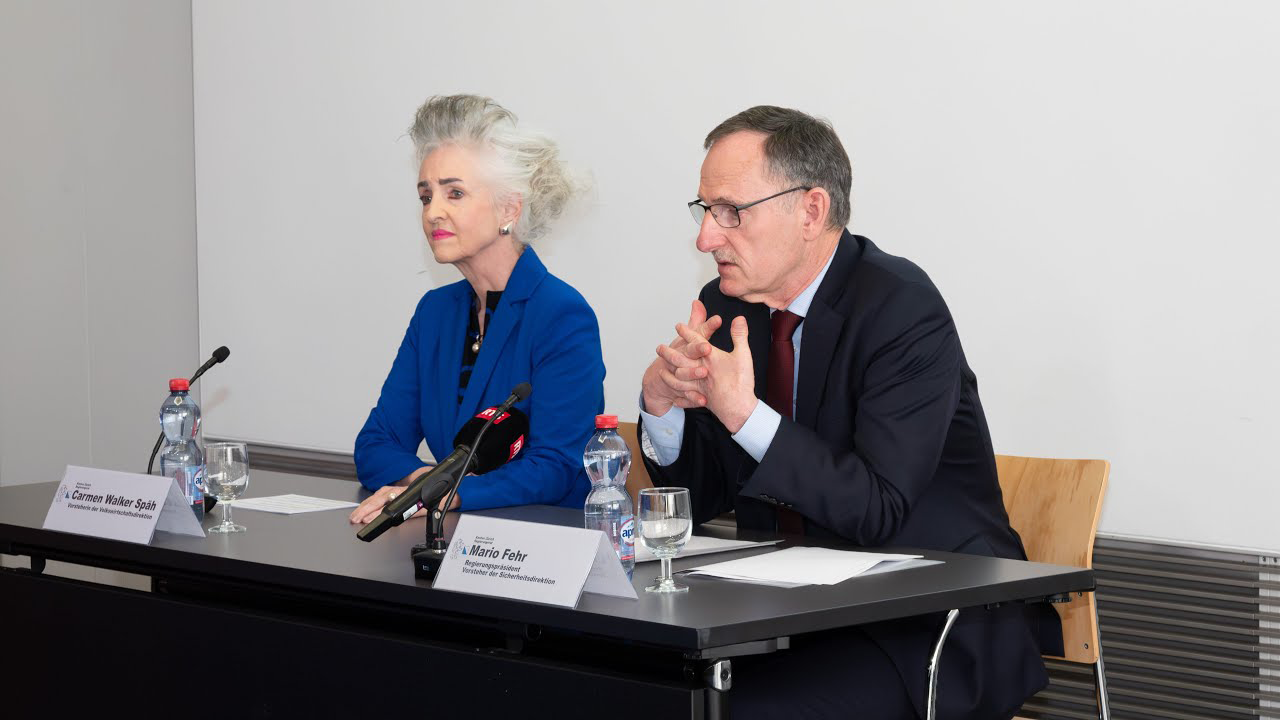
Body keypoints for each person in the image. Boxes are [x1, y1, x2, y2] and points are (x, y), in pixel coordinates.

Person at [638, 106, 1061, 719]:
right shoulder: (729, 305)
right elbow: (702, 502)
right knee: (632, 691)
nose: (707, 237)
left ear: (810, 210)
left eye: (731, 211)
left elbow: (879, 506)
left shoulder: (901, 308)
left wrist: (745, 416)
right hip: (781, 613)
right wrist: (662, 409)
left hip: (924, 616)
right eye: (703, 210)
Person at [350, 95, 604, 525]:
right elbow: (376, 441)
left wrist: (452, 492)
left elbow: (557, 466)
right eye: (425, 195)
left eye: (455, 193)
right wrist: (423, 481)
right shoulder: (434, 313)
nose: (434, 211)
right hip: (451, 536)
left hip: (540, 548)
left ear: (509, 208)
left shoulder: (561, 315)